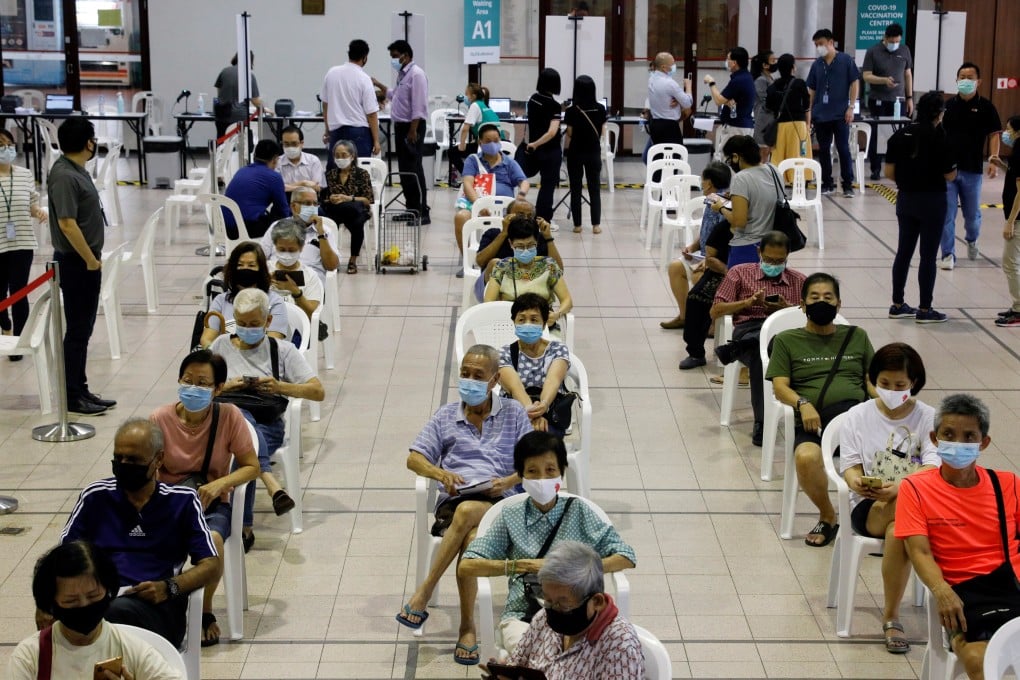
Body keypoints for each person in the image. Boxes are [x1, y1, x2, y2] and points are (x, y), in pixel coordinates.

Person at [395, 345, 532, 665]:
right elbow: (413, 459)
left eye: (478, 376)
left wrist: (508, 481)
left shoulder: (513, 414)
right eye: (465, 374)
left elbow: (534, 461)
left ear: (495, 380)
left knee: (469, 512)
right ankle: (467, 628)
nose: (469, 381)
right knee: (469, 532)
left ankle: (423, 594)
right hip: (456, 501)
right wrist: (438, 472)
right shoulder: (446, 415)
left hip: (503, 503)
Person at [460, 432, 636, 654]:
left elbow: (626, 556)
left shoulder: (580, 512)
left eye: (550, 470)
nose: (542, 478)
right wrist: (519, 566)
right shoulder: (510, 514)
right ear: (521, 476)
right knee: (538, 658)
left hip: (578, 614)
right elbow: (467, 565)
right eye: (532, 472)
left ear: (561, 473)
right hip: (523, 615)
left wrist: (579, 570)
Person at [58, 419, 220, 647]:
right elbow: (62, 559)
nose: (124, 465)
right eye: (119, 458)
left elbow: (211, 565)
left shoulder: (182, 501)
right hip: (98, 602)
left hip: (159, 608)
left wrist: (169, 587)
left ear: (159, 460)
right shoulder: (95, 497)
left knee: (110, 617)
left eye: (133, 460)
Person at [896, 394, 1020, 680]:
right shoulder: (915, 489)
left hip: (1011, 585)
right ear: (935, 438)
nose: (958, 443)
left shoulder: (1007, 484)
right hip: (962, 597)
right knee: (979, 662)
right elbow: (920, 552)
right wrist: (941, 590)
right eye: (949, 434)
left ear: (983, 442)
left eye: (969, 436)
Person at [151, 350, 260, 646]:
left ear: (218, 388)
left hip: (211, 505)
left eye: (202, 383)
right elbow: (147, 468)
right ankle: (159, 606)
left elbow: (252, 466)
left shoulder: (228, 416)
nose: (193, 388)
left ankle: (205, 610)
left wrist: (219, 484)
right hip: (169, 504)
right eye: (188, 380)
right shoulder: (160, 418)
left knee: (213, 540)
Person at [839, 343, 939, 653]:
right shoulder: (857, 415)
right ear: (873, 379)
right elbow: (850, 467)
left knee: (900, 529)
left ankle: (891, 616)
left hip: (910, 503)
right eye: (884, 384)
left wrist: (901, 487)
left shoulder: (928, 417)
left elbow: (933, 464)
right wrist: (858, 483)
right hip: (871, 506)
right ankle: (896, 617)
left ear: (914, 383)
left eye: (900, 385)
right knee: (902, 514)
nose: (892, 390)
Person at [209, 288, 324, 547]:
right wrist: (228, 386)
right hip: (223, 426)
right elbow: (201, 387)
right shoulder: (220, 345)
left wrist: (279, 386)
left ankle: (241, 525)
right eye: (241, 324)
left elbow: (317, 391)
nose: (246, 330)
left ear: (268, 321)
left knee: (242, 444)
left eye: (254, 324)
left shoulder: (282, 350)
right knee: (237, 417)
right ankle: (268, 482)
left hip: (267, 426)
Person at [768, 273, 876, 546]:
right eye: (814, 298)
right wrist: (803, 404)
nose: (822, 303)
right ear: (802, 304)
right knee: (805, 456)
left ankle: (873, 518)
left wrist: (886, 403)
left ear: (839, 304)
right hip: (813, 422)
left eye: (828, 298)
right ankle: (828, 515)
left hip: (855, 422)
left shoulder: (857, 336)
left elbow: (871, 381)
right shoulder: (787, 340)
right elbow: (780, 386)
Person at [10, 540, 183, 680]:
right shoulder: (30, 657)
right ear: (51, 603)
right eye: (71, 601)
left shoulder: (132, 649)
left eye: (93, 596)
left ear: (108, 590)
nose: (84, 605)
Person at [484, 541, 645, 679]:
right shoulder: (543, 619)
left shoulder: (619, 647)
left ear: (597, 601)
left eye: (564, 604)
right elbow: (517, 664)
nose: (553, 610)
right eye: (547, 600)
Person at [710, 231, 806, 446]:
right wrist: (747, 303)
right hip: (749, 328)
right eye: (769, 259)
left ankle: (737, 349)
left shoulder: (799, 281)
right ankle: (762, 421)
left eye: (779, 261)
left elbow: (811, 315)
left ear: (788, 256)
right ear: (759, 252)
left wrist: (785, 309)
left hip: (786, 334)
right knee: (760, 355)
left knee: (773, 344)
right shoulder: (739, 273)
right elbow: (716, 311)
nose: (773, 264)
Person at [48, 117, 115, 416]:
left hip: (86, 259)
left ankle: (81, 386)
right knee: (77, 329)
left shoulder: (77, 170)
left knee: (84, 328)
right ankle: (71, 395)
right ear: (88, 142)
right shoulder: (64, 175)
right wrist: (89, 259)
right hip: (77, 262)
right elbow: (66, 222)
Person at [885, 90, 957, 324]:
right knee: (928, 256)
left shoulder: (900, 135)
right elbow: (950, 175)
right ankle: (925, 309)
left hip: (906, 199)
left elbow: (888, 173)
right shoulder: (941, 138)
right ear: (939, 114)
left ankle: (897, 304)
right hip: (933, 201)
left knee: (903, 252)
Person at [939, 62, 1002, 269]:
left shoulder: (986, 107)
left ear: (978, 81)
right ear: (957, 80)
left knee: (972, 216)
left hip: (973, 170)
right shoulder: (947, 107)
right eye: (962, 77)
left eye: (970, 77)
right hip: (947, 170)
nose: (965, 80)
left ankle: (972, 239)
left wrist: (993, 158)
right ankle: (948, 254)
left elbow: (994, 134)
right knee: (947, 215)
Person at [662, 161, 732, 330]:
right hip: (702, 255)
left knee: (698, 277)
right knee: (675, 267)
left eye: (702, 180)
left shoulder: (724, 206)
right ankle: (684, 317)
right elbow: (706, 232)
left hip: (717, 260)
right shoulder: (711, 201)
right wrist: (693, 247)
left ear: (709, 183)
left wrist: (708, 260)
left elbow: (724, 243)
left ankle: (713, 322)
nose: (701, 183)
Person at [455, 123, 530, 272]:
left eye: (496, 140)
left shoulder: (509, 162)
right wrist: (479, 205)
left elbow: (524, 182)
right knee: (460, 217)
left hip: (504, 210)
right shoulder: (473, 160)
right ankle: (467, 263)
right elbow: (467, 184)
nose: (493, 144)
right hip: (478, 205)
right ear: (480, 142)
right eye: (488, 141)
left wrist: (521, 195)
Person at [0, 127, 45, 361]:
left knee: (19, 292)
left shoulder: (24, 174)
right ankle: (5, 324)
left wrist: (37, 211)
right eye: (1, 146)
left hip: (22, 241)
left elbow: (31, 201)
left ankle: (20, 341)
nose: (6, 149)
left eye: (9, 145)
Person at [496, 294, 571, 434]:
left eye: (534, 319)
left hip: (550, 412)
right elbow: (515, 387)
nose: (527, 324)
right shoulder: (504, 353)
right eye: (521, 319)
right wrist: (531, 414)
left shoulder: (558, 349)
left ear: (544, 324)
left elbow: (553, 381)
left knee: (542, 439)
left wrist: (543, 406)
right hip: (514, 414)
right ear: (514, 322)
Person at [484, 216, 574, 330]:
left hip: (543, 327)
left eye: (531, 245)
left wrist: (557, 314)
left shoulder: (549, 265)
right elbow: (488, 303)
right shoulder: (501, 268)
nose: (526, 250)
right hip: (509, 327)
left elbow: (567, 300)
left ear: (537, 241)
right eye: (520, 246)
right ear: (511, 243)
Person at [199, 241, 289, 348]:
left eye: (251, 265)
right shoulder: (220, 300)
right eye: (240, 265)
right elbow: (206, 339)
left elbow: (273, 342)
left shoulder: (275, 302)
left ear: (261, 270)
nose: (245, 269)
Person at [472, 199, 563, 302]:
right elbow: (480, 261)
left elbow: (558, 270)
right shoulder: (493, 233)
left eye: (529, 216)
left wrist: (548, 238)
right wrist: (504, 233)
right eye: (520, 215)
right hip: (492, 287)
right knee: (495, 263)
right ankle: (497, 312)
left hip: (529, 286)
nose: (525, 219)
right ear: (507, 216)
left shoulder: (538, 239)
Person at [806, 29, 861, 197]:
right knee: (823, 150)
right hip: (821, 114)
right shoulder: (817, 65)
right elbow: (812, 90)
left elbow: (855, 83)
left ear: (831, 42)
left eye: (821, 44)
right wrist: (809, 112)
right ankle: (827, 182)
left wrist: (851, 106)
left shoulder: (846, 61)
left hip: (841, 114)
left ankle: (847, 184)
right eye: (816, 45)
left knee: (843, 149)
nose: (819, 48)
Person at [383, 39, 430, 224]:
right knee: (404, 171)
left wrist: (413, 130)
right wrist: (379, 85)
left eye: (395, 56)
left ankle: (422, 212)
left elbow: (419, 105)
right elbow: (395, 95)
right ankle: (411, 209)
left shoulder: (416, 74)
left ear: (406, 55)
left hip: (412, 127)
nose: (393, 60)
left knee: (414, 169)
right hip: (402, 127)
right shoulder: (402, 75)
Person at [862, 23, 914, 180]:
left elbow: (908, 74)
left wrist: (910, 98)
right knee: (878, 135)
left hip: (899, 100)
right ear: (885, 37)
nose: (894, 45)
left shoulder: (904, 50)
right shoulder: (873, 51)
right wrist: (884, 80)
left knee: (899, 135)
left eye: (897, 41)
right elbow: (866, 76)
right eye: (891, 42)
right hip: (878, 100)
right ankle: (875, 168)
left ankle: (898, 167)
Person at [717, 135, 779, 266]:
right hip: (773, 244)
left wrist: (720, 208)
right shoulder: (774, 170)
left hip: (747, 246)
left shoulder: (741, 178)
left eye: (729, 159)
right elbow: (763, 198)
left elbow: (739, 221)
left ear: (736, 156)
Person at [259, 186, 340, 284]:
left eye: (315, 204)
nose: (312, 208)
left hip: (309, 284)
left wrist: (321, 234)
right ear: (293, 206)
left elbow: (332, 266)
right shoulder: (277, 226)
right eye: (307, 203)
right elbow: (260, 257)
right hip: (278, 281)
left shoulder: (324, 231)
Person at [320, 39, 381, 160]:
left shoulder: (331, 73)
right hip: (359, 132)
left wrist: (327, 130)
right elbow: (371, 114)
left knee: (336, 171)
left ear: (349, 54)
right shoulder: (364, 78)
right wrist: (376, 141)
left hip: (336, 131)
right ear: (365, 57)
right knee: (358, 173)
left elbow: (325, 104)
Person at [320, 140, 374, 274]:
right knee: (329, 219)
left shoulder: (362, 174)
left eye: (344, 155)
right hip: (336, 210)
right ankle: (331, 257)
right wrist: (331, 198)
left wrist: (348, 198)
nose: (340, 159)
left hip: (357, 209)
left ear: (352, 156)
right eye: (337, 156)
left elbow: (368, 200)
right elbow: (324, 198)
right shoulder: (330, 174)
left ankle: (352, 260)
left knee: (356, 220)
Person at [563, 75, 607, 235]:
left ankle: (578, 225)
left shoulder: (571, 111)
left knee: (576, 188)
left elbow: (570, 133)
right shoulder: (600, 109)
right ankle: (596, 225)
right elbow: (602, 131)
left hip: (576, 152)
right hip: (593, 151)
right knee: (594, 188)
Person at [223, 139, 291, 239]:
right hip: (246, 229)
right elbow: (283, 210)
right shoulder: (274, 177)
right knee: (281, 213)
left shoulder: (242, 170)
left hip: (225, 227)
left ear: (254, 155)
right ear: (275, 159)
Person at [991, 116, 1020, 327]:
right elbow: (1014, 176)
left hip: (1018, 218)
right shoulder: (1017, 150)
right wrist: (1002, 165)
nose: (1006, 134)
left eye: (1009, 130)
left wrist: (1011, 221)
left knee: (1010, 263)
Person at [765, 53, 813, 180]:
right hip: (798, 125)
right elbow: (807, 105)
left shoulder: (772, 87)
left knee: (779, 155)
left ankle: (780, 180)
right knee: (798, 154)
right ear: (793, 67)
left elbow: (768, 106)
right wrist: (808, 124)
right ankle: (798, 180)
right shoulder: (800, 83)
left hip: (780, 126)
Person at [526, 68, 564, 222]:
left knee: (542, 182)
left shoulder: (533, 99)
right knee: (547, 186)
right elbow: (552, 132)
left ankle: (539, 215)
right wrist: (537, 143)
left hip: (535, 150)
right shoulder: (554, 105)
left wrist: (533, 144)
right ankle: (543, 218)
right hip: (550, 150)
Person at [705, 47, 756, 161]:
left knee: (729, 160)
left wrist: (711, 82)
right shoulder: (746, 77)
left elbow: (718, 100)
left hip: (736, 127)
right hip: (744, 125)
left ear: (734, 63)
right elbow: (732, 99)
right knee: (739, 160)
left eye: (728, 59)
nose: (726, 61)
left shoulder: (739, 80)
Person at [267, 218, 324, 319]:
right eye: (282, 249)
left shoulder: (310, 275)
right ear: (275, 246)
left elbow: (313, 315)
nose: (286, 254)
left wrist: (296, 292)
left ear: (301, 248)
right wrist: (263, 284)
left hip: (298, 328)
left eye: (292, 250)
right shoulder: (265, 269)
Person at [451, 83, 502, 181]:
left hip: (486, 146)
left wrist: (462, 145)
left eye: (467, 94)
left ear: (473, 96)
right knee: (470, 148)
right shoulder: (486, 106)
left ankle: (470, 178)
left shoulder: (475, 105)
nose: (465, 97)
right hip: (500, 144)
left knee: (453, 152)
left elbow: (465, 128)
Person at [213, 51, 266, 139]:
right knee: (239, 144)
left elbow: (219, 93)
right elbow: (255, 100)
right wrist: (264, 109)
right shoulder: (248, 75)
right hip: (238, 117)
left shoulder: (224, 71)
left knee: (222, 143)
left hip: (221, 115)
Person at [646, 52, 692, 147]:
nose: (674, 66)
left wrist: (677, 101)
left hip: (655, 124)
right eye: (672, 64)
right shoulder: (670, 83)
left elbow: (663, 97)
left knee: (659, 156)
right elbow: (687, 103)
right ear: (663, 67)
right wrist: (688, 86)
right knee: (674, 158)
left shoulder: (651, 79)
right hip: (669, 127)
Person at [276, 125, 324, 194]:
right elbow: (276, 188)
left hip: (308, 201)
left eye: (294, 144)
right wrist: (303, 183)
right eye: (286, 144)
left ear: (302, 143)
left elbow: (317, 188)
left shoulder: (313, 161)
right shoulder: (277, 162)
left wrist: (288, 187)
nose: (290, 147)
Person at [750, 50, 777, 162]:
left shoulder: (769, 78)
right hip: (763, 119)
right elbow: (764, 100)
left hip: (770, 119)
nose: (775, 62)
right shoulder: (761, 80)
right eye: (773, 60)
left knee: (769, 149)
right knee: (763, 150)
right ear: (765, 65)